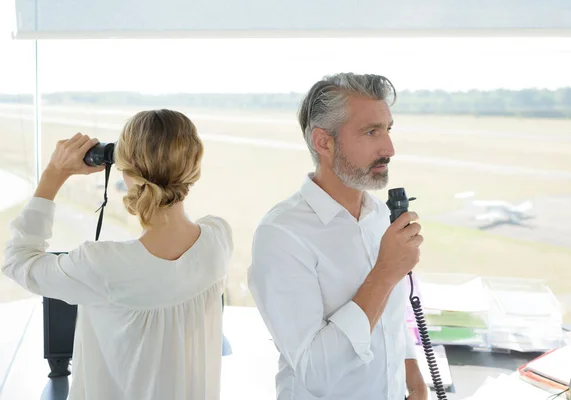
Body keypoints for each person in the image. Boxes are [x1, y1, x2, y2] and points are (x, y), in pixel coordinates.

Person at [3, 110, 233, 400]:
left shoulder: (104, 265)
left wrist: (54, 173)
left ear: (126, 170)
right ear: (194, 163)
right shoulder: (219, 238)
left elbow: (17, 260)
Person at [248, 73, 428, 400]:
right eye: (371, 131)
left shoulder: (377, 216)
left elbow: (387, 316)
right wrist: (386, 273)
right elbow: (317, 374)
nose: (389, 148)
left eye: (387, 130)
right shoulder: (281, 236)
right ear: (324, 142)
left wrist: (411, 370)